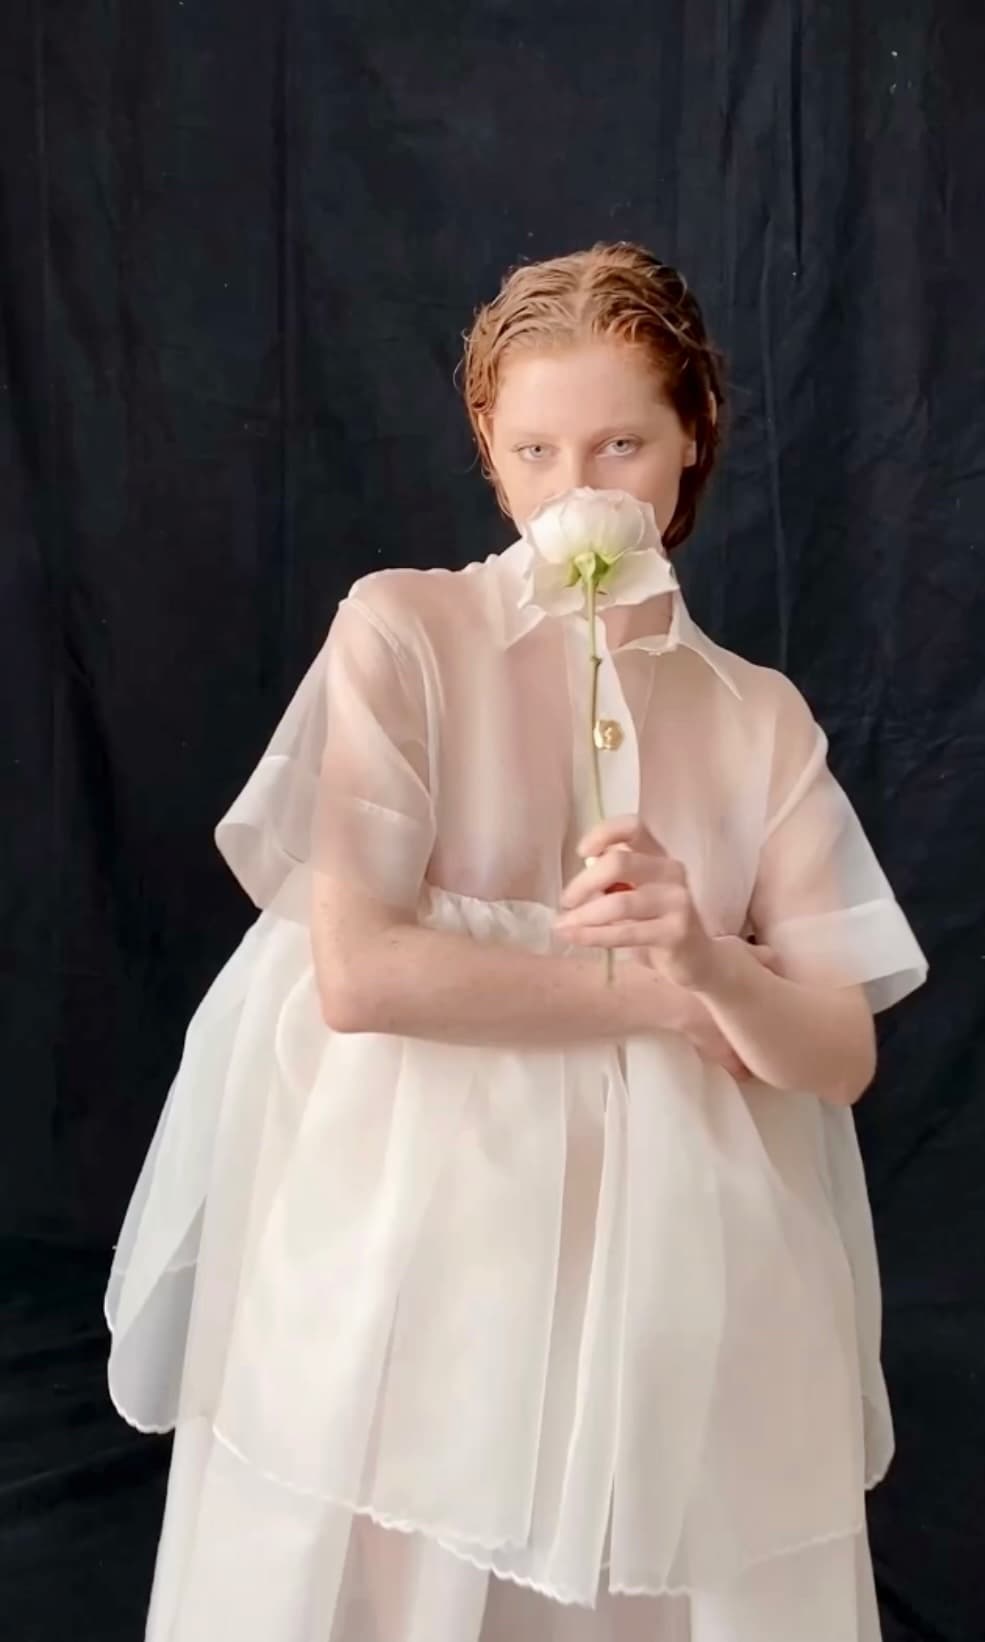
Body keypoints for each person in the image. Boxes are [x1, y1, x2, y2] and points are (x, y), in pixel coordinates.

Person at [105, 242, 927, 1642]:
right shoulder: (405, 630)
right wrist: (651, 1001)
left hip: (673, 1258)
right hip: (412, 1227)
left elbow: (836, 1048)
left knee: (642, 1568)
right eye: (536, 448)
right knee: (386, 1554)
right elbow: (358, 973)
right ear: (490, 453)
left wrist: (711, 960)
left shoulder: (754, 715)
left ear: (688, 446)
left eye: (621, 441)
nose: (579, 488)